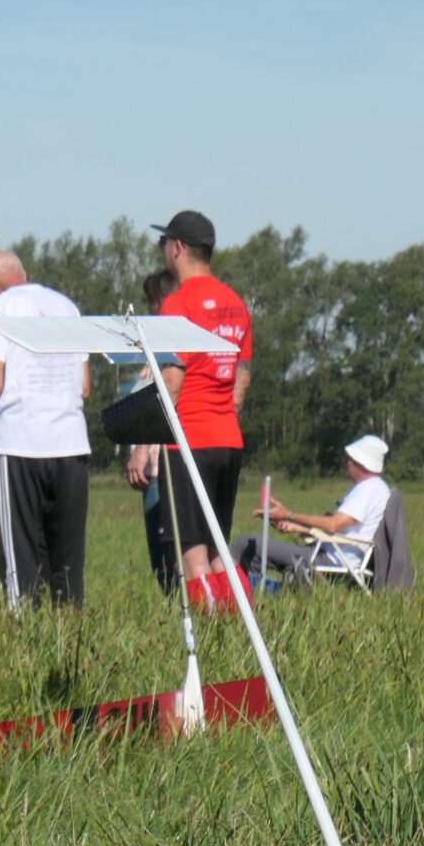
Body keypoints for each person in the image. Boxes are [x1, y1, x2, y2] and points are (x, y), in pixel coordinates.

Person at [0, 249, 90, 608]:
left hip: (20, 442)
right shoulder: (66, 306)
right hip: (71, 443)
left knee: (19, 551)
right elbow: (84, 386)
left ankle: (24, 631)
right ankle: (69, 628)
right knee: (67, 557)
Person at [148, 209, 252, 582]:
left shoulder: (176, 305)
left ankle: (209, 635)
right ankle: (237, 624)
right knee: (219, 551)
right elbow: (242, 379)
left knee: (190, 557)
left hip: (190, 440)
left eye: (163, 243)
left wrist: (150, 436)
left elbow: (172, 383)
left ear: (177, 248)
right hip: (228, 440)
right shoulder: (236, 304)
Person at [235, 435, 392, 582]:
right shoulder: (375, 488)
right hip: (329, 552)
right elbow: (343, 532)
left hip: (333, 560)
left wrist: (289, 515)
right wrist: (295, 527)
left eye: (349, 459)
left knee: (246, 543)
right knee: (253, 550)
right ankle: (251, 591)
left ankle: (226, 590)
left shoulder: (369, 489)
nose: (346, 463)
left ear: (361, 463)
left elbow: (333, 525)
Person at [125, 268, 181, 591]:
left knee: (166, 555)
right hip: (158, 466)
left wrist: (142, 450)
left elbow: (162, 401)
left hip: (160, 468)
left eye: (151, 302)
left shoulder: (167, 355)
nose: (148, 310)